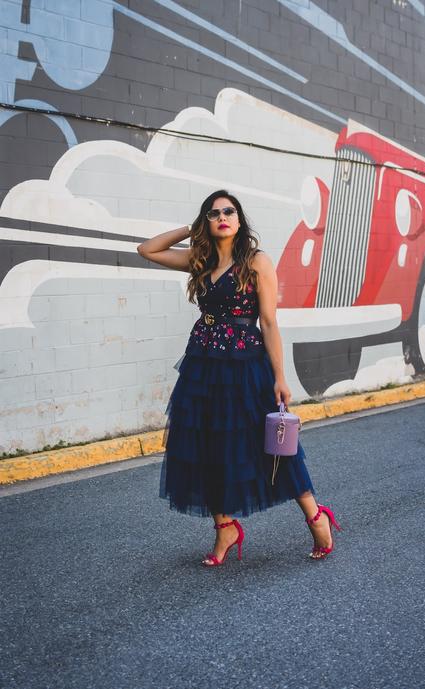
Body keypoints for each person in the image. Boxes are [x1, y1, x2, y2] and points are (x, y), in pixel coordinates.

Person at [137, 190, 341, 566]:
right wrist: (190, 227)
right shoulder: (200, 260)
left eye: (228, 211)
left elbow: (269, 322)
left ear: (239, 218)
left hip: (246, 366)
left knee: (272, 445)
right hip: (203, 365)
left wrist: (280, 376)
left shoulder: (257, 261)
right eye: (213, 214)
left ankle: (316, 517)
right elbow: (147, 249)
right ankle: (225, 528)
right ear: (206, 222)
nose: (222, 217)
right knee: (206, 445)